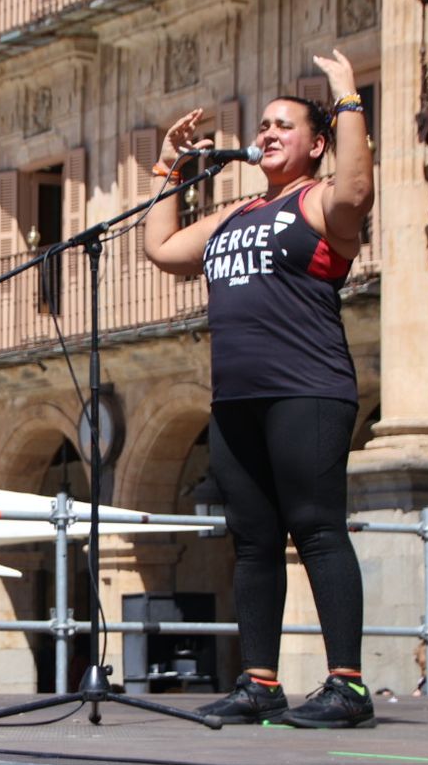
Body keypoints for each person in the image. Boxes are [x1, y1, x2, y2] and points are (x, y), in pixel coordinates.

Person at [144, 49, 374, 729]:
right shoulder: (234, 215)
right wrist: (168, 166)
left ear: (317, 143)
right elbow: (162, 249)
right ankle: (260, 681)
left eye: (285, 125)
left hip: (307, 390)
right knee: (251, 540)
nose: (269, 132)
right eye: (265, 125)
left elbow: (357, 192)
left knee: (319, 530)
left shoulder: (321, 202)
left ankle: (348, 686)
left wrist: (348, 97)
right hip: (236, 400)